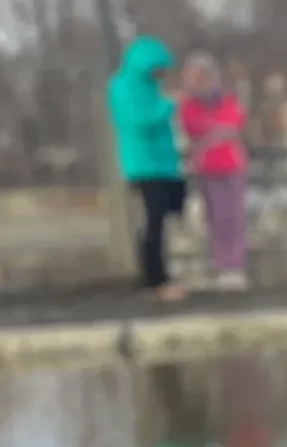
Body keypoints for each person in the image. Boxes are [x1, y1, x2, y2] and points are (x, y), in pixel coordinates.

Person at [108, 35, 189, 303]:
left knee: (163, 218)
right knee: (153, 221)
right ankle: (154, 278)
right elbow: (139, 120)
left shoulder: (150, 87)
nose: (162, 73)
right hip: (145, 164)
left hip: (163, 164)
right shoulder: (123, 87)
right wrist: (169, 105)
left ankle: (161, 274)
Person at [179, 51, 251, 291]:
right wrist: (214, 132)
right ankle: (221, 264)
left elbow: (234, 124)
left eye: (202, 76)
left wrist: (214, 131)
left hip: (231, 165)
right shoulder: (188, 104)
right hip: (206, 168)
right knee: (215, 218)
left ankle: (235, 265)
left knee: (233, 217)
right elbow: (192, 127)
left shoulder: (227, 100)